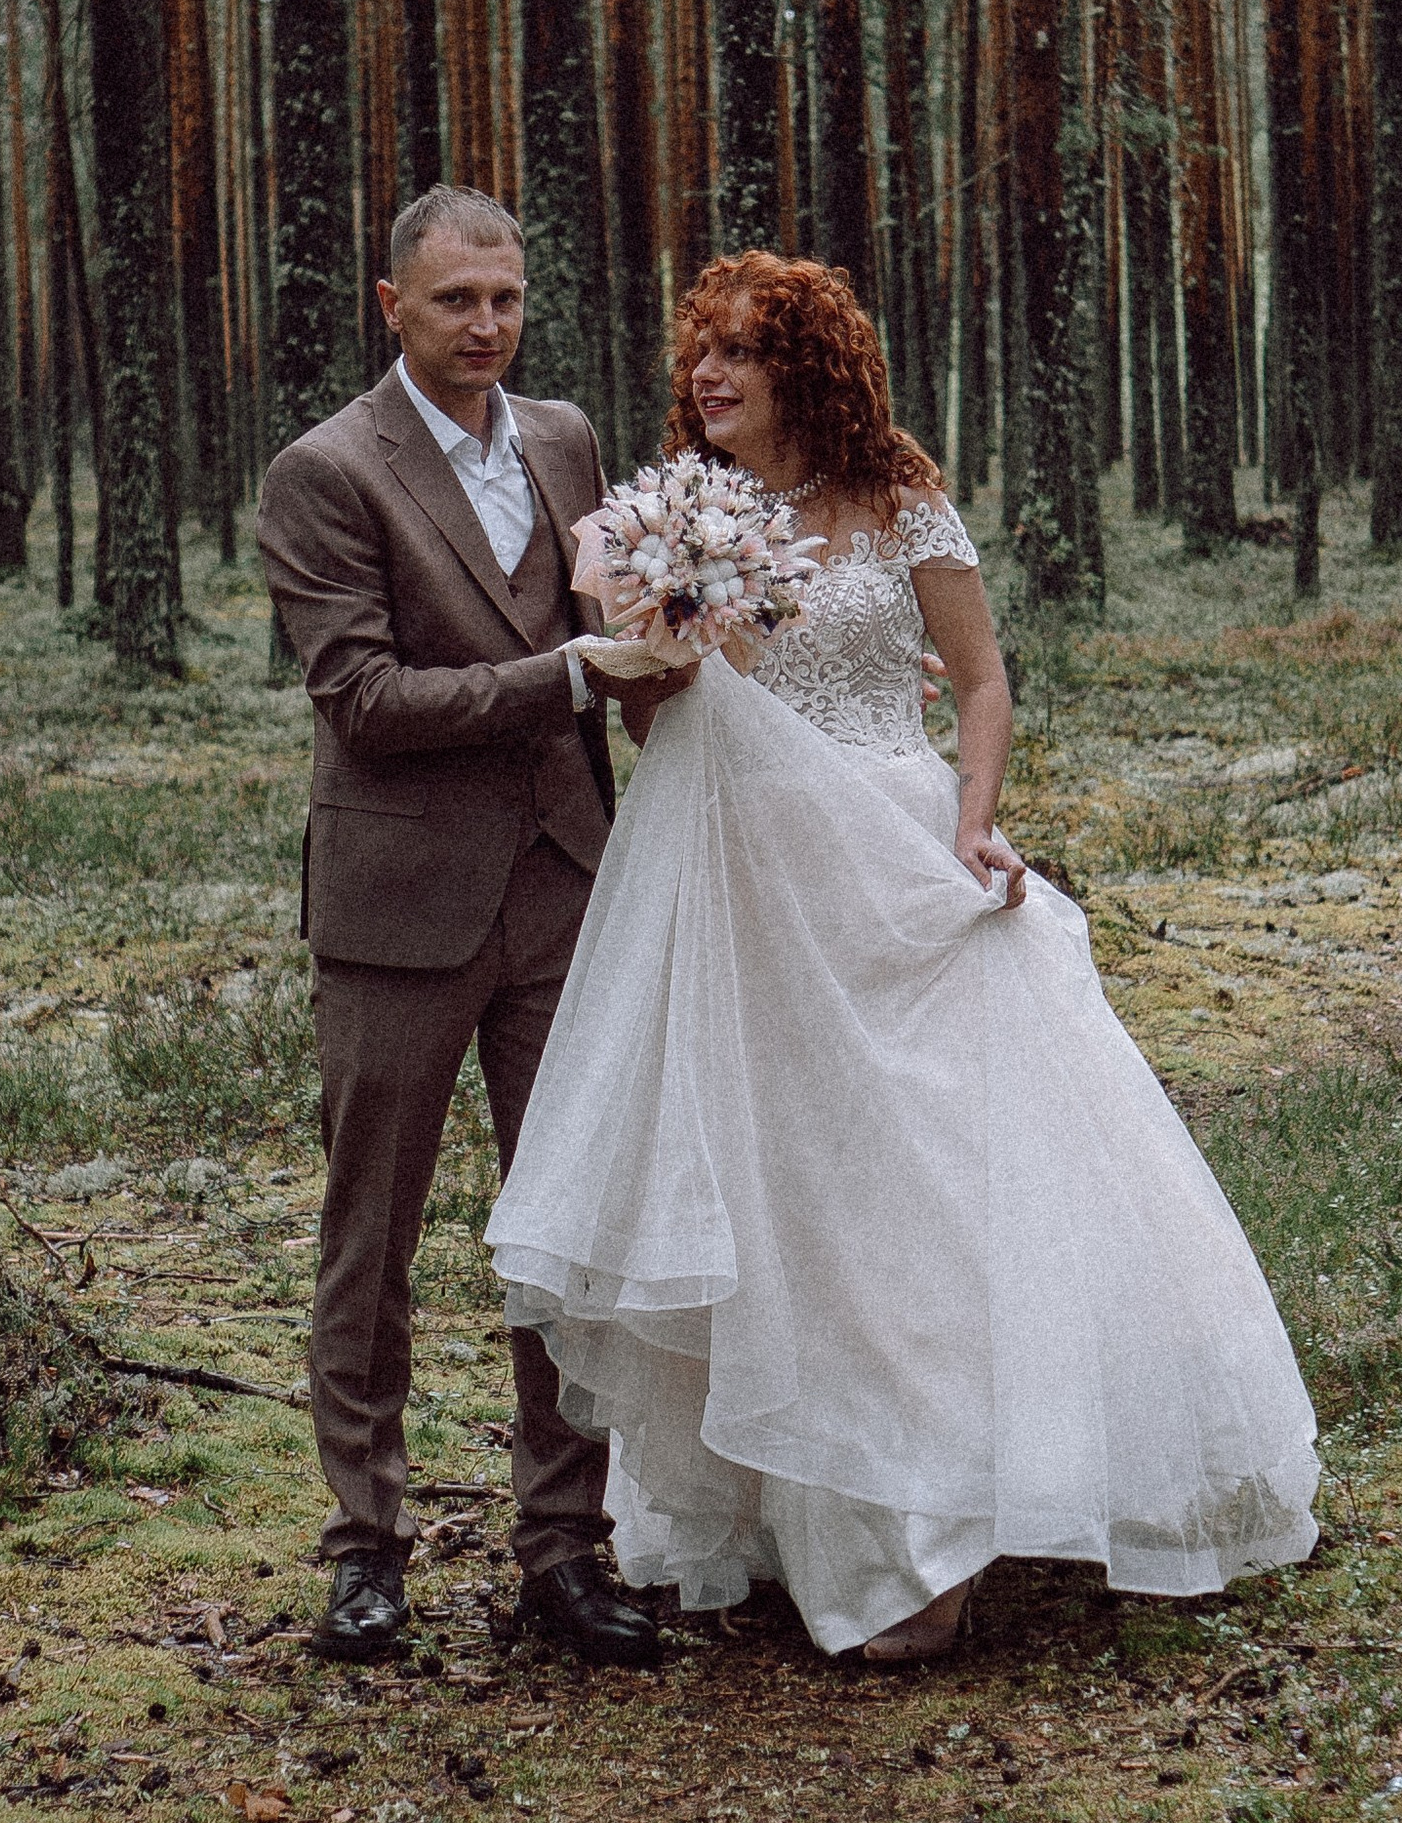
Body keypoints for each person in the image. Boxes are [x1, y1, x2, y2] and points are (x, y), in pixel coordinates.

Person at [487, 252, 1319, 1664]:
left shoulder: (902, 499)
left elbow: (980, 677)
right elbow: (654, 713)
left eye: (744, 352)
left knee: (914, 1197)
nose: (711, 374)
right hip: (735, 880)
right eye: (703, 349)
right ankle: (792, 1516)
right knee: (773, 1187)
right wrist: (639, 611)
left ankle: (949, 1515)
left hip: (890, 856)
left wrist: (976, 825)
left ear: (809, 367)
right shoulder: (682, 515)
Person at [256, 186, 689, 1669]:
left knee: (565, 1229)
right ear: (393, 305)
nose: (485, 328)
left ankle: (564, 1547)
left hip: (569, 889)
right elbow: (364, 704)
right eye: (455, 302)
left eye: (504, 298)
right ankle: (364, 1550)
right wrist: (570, 676)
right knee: (369, 1238)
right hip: (397, 908)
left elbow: (625, 638)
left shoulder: (565, 439)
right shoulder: (325, 473)